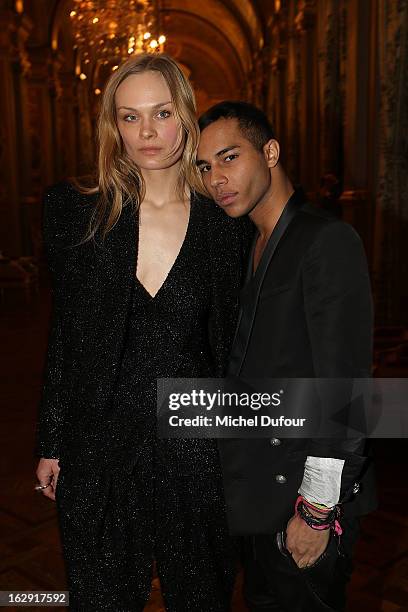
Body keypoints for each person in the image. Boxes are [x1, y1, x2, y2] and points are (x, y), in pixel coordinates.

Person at [35, 56, 249, 612]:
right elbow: (65, 335)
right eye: (130, 117)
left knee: (202, 596)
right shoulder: (74, 210)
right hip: (97, 440)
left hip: (195, 442)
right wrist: (52, 441)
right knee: (99, 596)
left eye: (162, 113)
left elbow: (231, 344)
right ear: (113, 125)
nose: (147, 133)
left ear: (186, 115)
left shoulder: (224, 222)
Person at [197, 101, 377, 611]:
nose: (217, 179)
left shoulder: (326, 241)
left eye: (229, 158)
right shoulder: (248, 243)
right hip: (259, 497)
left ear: (270, 151)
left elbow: (348, 389)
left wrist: (317, 511)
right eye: (206, 167)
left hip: (305, 503)